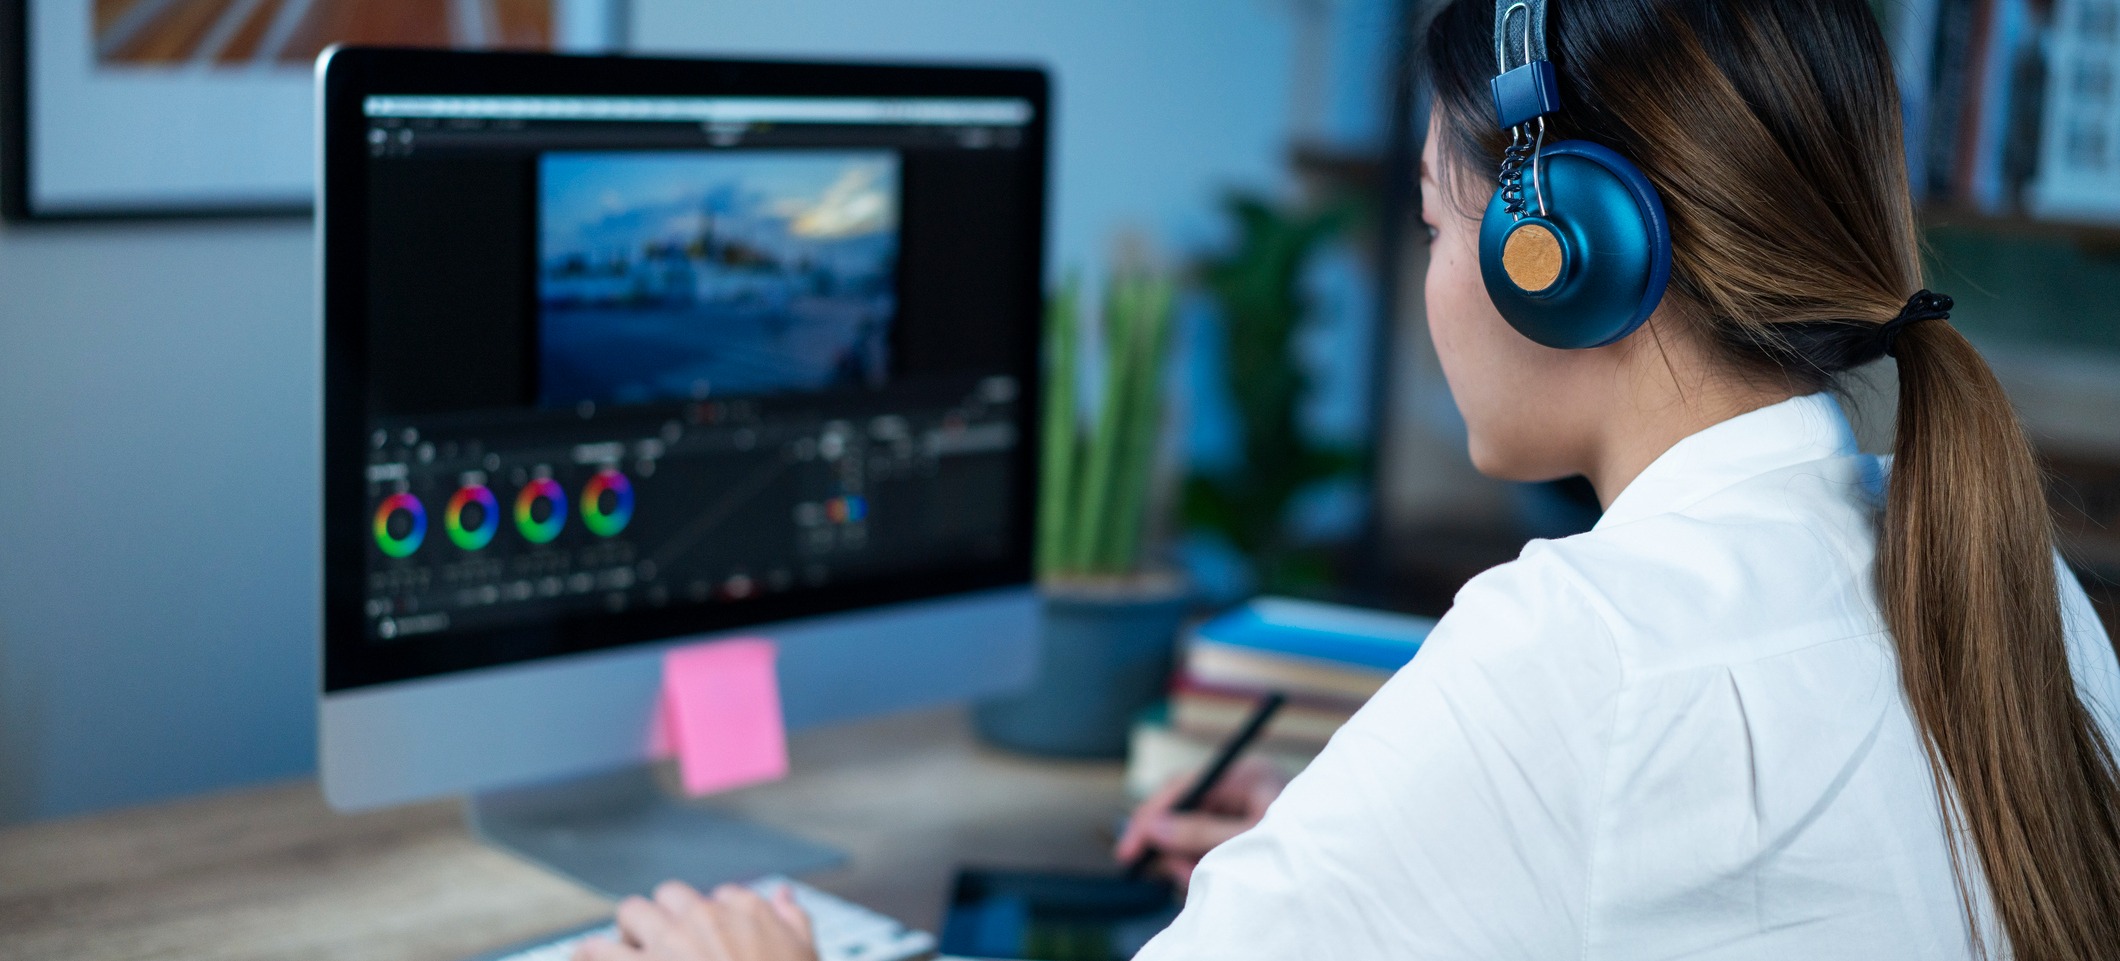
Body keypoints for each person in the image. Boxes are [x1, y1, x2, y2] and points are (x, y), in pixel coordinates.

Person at [578, 0, 2120, 958]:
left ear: (1562, 256)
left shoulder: (1583, 646)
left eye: (1441, 224)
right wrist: (1369, 846)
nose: (1435, 271)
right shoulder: (2001, 574)